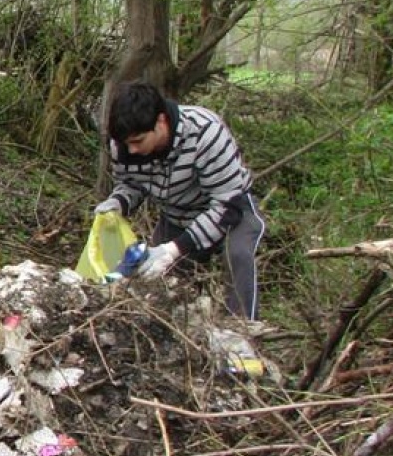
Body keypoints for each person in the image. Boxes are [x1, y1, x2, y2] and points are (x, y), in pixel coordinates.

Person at [94, 80, 265, 319]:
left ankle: (244, 335)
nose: (131, 150)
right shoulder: (123, 144)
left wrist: (174, 249)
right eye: (126, 144)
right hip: (176, 215)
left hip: (230, 213)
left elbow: (228, 204)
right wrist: (117, 204)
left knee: (237, 257)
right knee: (150, 283)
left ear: (161, 121)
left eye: (138, 141)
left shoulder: (205, 133)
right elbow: (132, 183)